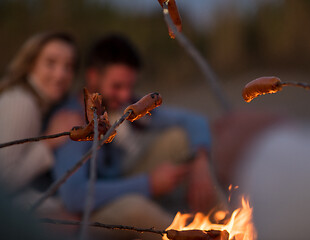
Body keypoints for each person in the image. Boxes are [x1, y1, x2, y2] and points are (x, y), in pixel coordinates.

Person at [53, 34, 220, 239]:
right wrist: (149, 184)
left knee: (179, 138)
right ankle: (191, 235)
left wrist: (200, 161)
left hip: (125, 178)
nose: (125, 96)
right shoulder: (73, 119)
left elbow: (194, 121)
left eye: (130, 87)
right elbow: (73, 196)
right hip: (90, 211)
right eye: (117, 86)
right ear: (93, 76)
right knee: (136, 209)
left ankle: (230, 225)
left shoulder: (125, 108)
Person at [0, 32, 79, 206]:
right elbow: (4, 182)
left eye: (69, 66)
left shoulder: (38, 102)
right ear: (30, 64)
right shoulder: (21, 102)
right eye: (51, 63)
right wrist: (51, 140)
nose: (60, 75)